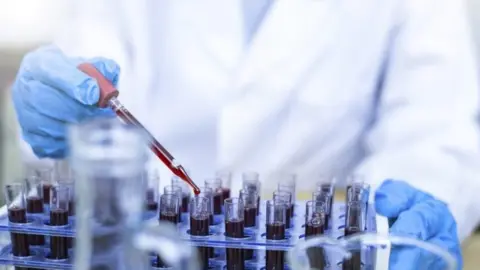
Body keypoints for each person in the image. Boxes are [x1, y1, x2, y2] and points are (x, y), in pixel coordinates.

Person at [10, 0, 480, 268]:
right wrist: (59, 105)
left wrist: (402, 220)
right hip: (148, 238)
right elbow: (79, 75)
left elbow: (437, 131)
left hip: (312, 251)